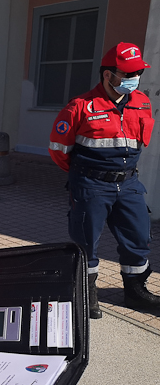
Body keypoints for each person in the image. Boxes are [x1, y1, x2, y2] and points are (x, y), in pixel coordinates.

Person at [49, 42, 160, 319]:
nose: (133, 79)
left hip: (129, 184)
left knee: (138, 237)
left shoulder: (142, 103)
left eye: (137, 73)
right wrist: (85, 177)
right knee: (86, 241)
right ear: (107, 75)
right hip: (91, 184)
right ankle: (86, 293)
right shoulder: (81, 106)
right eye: (127, 74)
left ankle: (135, 291)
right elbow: (59, 150)